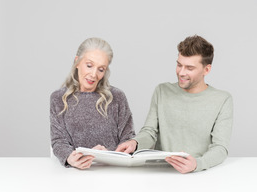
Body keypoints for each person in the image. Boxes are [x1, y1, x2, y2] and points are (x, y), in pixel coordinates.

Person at [116, 35, 233, 173]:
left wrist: (197, 164)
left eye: (189, 68)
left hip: (199, 175)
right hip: (161, 172)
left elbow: (220, 148)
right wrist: (135, 143)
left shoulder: (222, 99)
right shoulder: (162, 91)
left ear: (206, 70)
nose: (181, 72)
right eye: (179, 65)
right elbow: (150, 132)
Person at [50, 37, 135, 169]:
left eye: (101, 69)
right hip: (75, 174)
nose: (94, 74)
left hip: (113, 172)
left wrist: (110, 155)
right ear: (77, 62)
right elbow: (58, 141)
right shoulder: (58, 98)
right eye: (89, 65)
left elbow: (128, 139)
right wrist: (70, 158)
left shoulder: (117, 97)